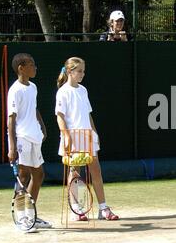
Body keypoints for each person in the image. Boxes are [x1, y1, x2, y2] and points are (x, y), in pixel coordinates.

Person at [55, 57, 119, 221]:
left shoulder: (83, 90)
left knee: (96, 170)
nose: (82, 74)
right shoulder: (62, 92)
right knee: (75, 172)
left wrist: (94, 133)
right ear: (70, 71)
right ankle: (77, 209)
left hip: (87, 136)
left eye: (83, 71)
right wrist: (66, 136)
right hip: (72, 137)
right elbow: (60, 117)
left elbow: (88, 114)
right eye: (79, 71)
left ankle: (103, 208)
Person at [7, 53, 52, 231]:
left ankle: (31, 215)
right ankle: (21, 219)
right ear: (21, 68)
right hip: (22, 137)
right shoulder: (15, 90)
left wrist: (42, 125)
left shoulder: (33, 87)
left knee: (39, 175)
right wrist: (12, 146)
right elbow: (11, 119)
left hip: (35, 136)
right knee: (23, 176)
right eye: (31, 65)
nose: (35, 68)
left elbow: (34, 108)